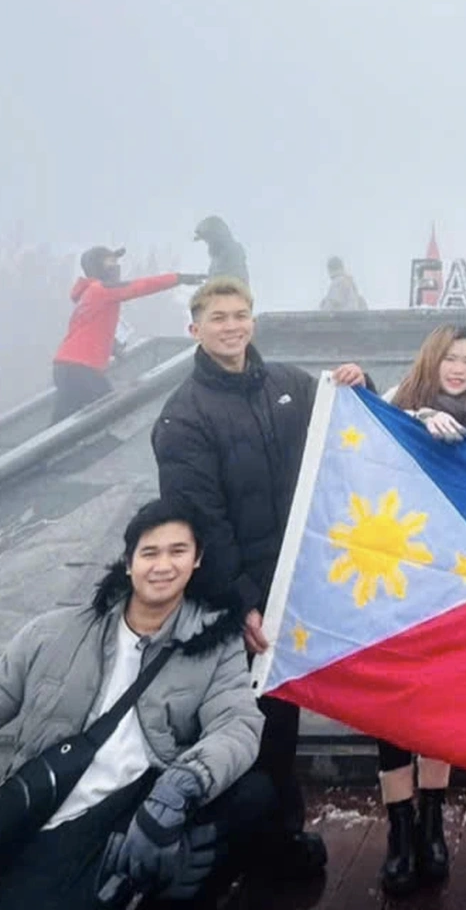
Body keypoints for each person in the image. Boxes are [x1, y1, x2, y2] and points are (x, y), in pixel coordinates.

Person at [0, 499, 268, 910]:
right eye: (150, 552)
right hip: (52, 807)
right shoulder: (54, 634)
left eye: (178, 551)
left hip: (138, 812)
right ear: (128, 562)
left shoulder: (214, 643)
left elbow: (237, 724)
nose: (163, 566)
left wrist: (180, 786)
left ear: (197, 560)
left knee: (252, 795)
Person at [152, 276, 373, 881]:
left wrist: (361, 384)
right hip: (234, 601)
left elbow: (344, 423)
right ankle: (233, 847)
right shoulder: (183, 416)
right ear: (195, 329)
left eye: (241, 315)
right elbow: (200, 522)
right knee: (235, 727)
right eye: (218, 318)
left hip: (291, 590)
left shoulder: (290, 386)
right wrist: (244, 603)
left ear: (254, 321)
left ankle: (278, 836)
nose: (232, 326)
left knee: (279, 722)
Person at [375, 324, 466, 896]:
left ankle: (432, 824)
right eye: (451, 358)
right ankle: (398, 832)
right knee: (390, 713)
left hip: (454, 583)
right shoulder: (396, 403)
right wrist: (414, 427)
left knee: (439, 705)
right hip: (397, 577)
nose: (459, 368)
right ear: (433, 358)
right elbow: (360, 451)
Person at [52, 246, 204, 424]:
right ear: (97, 267)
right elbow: (140, 286)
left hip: (65, 366)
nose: (116, 266)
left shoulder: (89, 294)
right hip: (82, 369)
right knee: (114, 415)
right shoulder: (102, 289)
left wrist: (112, 347)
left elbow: (84, 329)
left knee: (61, 423)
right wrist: (178, 278)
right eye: (111, 262)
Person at [193, 216, 249, 285]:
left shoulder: (231, 251)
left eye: (207, 238)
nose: (207, 242)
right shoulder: (218, 254)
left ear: (214, 235)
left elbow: (230, 278)